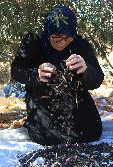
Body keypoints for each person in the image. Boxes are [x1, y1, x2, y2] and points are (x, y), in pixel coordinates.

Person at [11, 6, 104, 146]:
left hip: (74, 98)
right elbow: (16, 70)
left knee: (91, 131)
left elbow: (97, 79)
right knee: (47, 136)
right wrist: (36, 74)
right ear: (48, 32)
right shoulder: (34, 40)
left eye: (68, 38)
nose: (63, 42)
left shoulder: (80, 44)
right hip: (42, 98)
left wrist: (86, 70)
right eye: (57, 38)